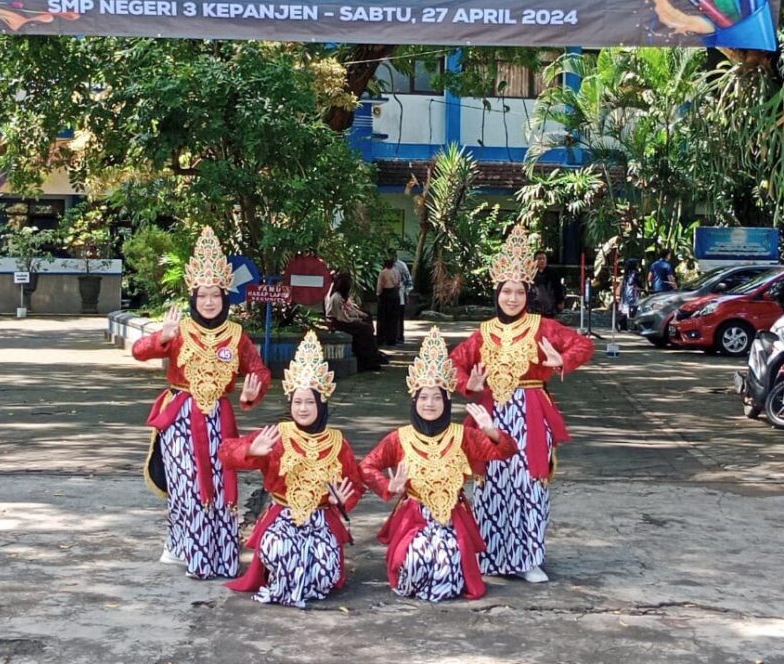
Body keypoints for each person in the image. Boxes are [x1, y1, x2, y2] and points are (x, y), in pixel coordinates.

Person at [450, 225, 594, 583]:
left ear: (528, 294)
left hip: (530, 411)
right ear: (497, 293)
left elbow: (582, 345)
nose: (512, 298)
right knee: (491, 483)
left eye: (518, 292)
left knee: (529, 483)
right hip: (491, 414)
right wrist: (468, 383)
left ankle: (528, 558)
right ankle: (490, 558)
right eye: (506, 291)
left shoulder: (543, 327)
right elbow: (452, 364)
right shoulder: (482, 333)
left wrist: (561, 362)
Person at [131, 226, 271, 579]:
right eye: (203, 295)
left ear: (226, 296)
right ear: (194, 297)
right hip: (180, 416)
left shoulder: (237, 336)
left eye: (216, 295)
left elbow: (260, 372)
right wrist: (161, 339)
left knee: (221, 485)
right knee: (188, 487)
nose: (209, 301)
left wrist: (252, 393)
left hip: (219, 419)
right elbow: (138, 351)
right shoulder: (179, 331)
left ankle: (217, 554)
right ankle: (190, 551)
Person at [360, 327, 517, 601]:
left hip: (451, 518)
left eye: (436, 397)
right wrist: (390, 485)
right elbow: (367, 467)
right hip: (413, 518)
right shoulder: (400, 438)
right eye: (423, 397)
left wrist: (491, 430)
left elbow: (505, 451)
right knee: (414, 563)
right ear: (414, 401)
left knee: (448, 562)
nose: (429, 403)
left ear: (446, 401)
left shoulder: (463, 436)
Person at [220, 331, 363, 608]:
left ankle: (304, 582)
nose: (303, 408)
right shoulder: (277, 435)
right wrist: (250, 451)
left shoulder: (337, 442)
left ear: (322, 404)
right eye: (297, 402)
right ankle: (288, 583)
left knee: (325, 570)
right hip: (282, 516)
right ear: (290, 403)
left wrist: (342, 502)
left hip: (321, 519)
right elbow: (225, 452)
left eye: (310, 402)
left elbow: (354, 485)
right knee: (280, 550)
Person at [325, 272, 387, 371]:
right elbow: (342, 318)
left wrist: (358, 317)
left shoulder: (341, 296)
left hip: (343, 321)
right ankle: (368, 361)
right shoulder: (336, 297)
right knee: (365, 329)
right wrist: (356, 319)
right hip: (339, 323)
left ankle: (373, 356)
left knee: (366, 323)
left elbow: (348, 311)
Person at [528, 251, 565, 318]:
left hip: (550, 307)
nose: (542, 261)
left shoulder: (552, 273)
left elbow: (558, 288)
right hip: (534, 308)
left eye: (544, 258)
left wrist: (561, 301)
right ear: (534, 261)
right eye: (539, 259)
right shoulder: (529, 274)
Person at [376, 258, 401, 346]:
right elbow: (398, 283)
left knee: (383, 317)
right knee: (393, 318)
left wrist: (378, 294)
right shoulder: (396, 271)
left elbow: (380, 285)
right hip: (394, 294)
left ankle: (382, 338)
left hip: (385, 294)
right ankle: (392, 339)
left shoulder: (382, 272)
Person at [616, 258, 641, 331]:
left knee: (625, 308)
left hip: (626, 291)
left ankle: (623, 324)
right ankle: (633, 326)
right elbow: (635, 282)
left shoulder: (626, 273)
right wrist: (642, 287)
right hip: (633, 292)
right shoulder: (635, 273)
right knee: (634, 309)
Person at [393, 255, 413, 345]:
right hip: (389, 295)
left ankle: (399, 337)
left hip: (400, 294)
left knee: (399, 318)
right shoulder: (386, 265)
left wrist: (406, 293)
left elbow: (408, 280)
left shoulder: (401, 265)